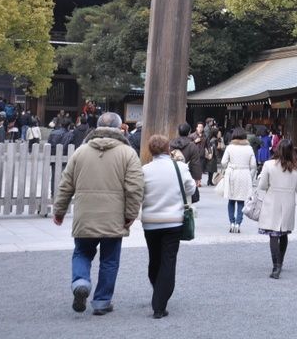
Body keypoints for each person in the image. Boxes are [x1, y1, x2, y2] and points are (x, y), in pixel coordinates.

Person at [53, 112, 144, 315]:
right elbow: (135, 187)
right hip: (114, 216)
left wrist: (59, 210)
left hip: (85, 214)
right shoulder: (128, 153)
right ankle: (102, 301)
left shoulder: (81, 151)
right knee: (110, 260)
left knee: (82, 252)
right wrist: (130, 214)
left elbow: (66, 184)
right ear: (121, 129)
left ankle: (81, 281)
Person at [140, 134, 195, 319]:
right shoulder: (179, 167)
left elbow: (139, 194)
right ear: (168, 149)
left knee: (154, 259)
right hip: (173, 221)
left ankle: (158, 290)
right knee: (168, 261)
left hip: (151, 221)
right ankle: (159, 304)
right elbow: (190, 189)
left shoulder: (144, 170)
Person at [257, 139, 297, 279]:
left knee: (273, 235)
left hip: (272, 202)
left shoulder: (269, 165)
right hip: (288, 204)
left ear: (278, 149)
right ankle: (280, 262)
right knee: (284, 234)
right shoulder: (295, 168)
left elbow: (262, 186)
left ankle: (276, 266)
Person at [220, 127, 256, 233]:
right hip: (244, 174)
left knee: (231, 200)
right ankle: (238, 224)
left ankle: (231, 222)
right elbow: (253, 165)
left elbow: (223, 162)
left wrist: (228, 167)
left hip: (232, 173)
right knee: (241, 201)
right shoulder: (249, 148)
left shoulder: (230, 147)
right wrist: (251, 176)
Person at [170, 122, 203, 199]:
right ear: (189, 132)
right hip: (186, 172)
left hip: (172, 171)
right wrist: (197, 177)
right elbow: (195, 163)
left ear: (178, 131)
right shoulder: (192, 145)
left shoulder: (171, 144)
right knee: (186, 195)